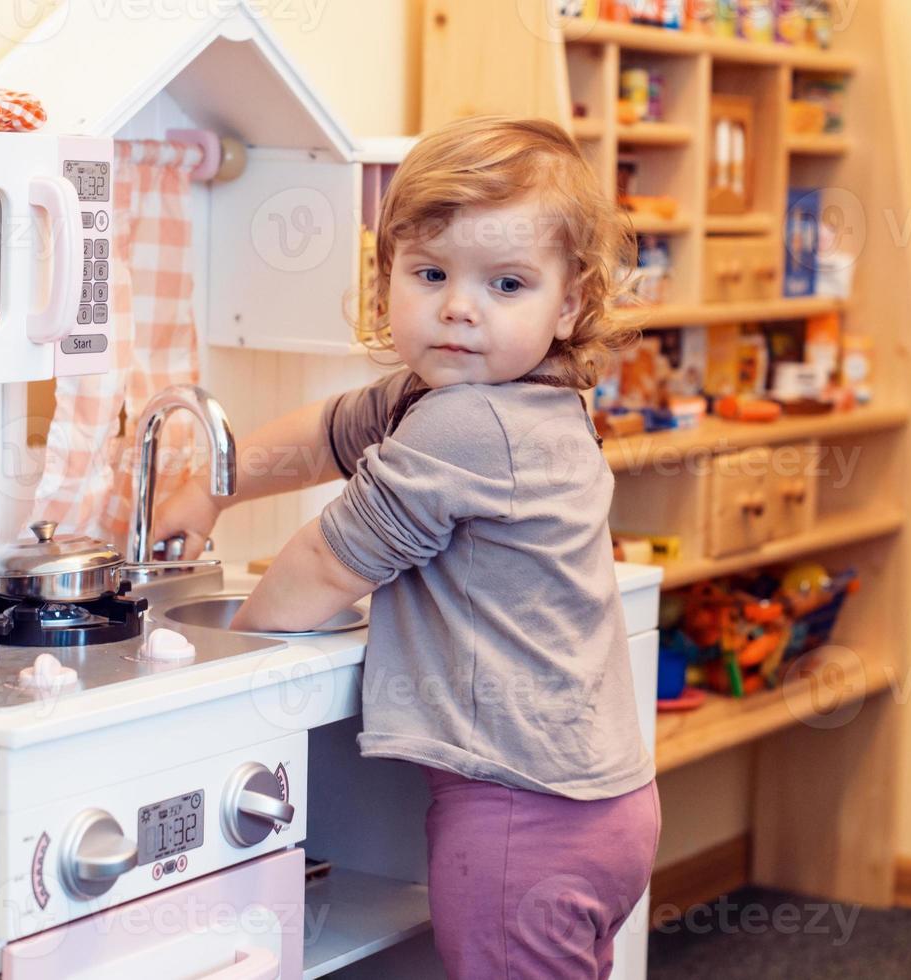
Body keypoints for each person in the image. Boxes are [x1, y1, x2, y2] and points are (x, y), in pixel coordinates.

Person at [151, 115, 660, 978]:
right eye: (430, 274)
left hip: (518, 817)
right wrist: (207, 494)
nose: (459, 307)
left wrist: (228, 645)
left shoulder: (468, 422)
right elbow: (323, 434)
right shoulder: (491, 395)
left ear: (568, 303)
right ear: (387, 275)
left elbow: (322, 565)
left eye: (506, 284)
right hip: (597, 806)